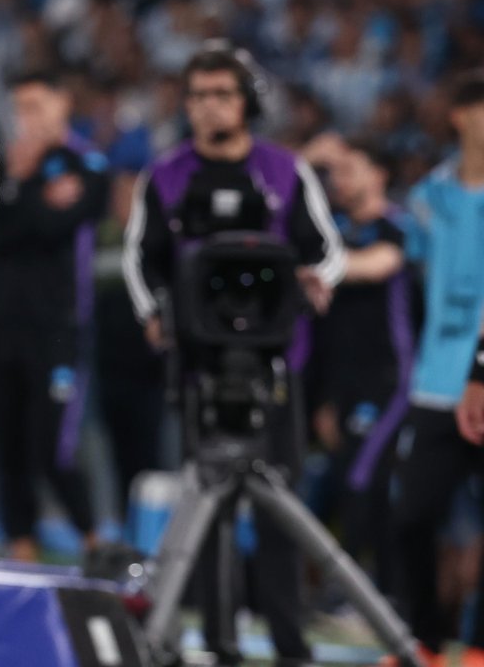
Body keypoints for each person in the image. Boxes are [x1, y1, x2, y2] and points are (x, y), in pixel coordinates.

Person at [122, 42, 344, 667]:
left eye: (220, 93)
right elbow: (142, 260)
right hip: (198, 369)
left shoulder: (284, 170)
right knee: (207, 518)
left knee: (282, 514)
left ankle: (289, 645)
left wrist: (316, 280)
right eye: (196, 95)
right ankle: (219, 644)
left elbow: (327, 250)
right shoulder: (164, 176)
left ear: (247, 101)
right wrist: (152, 317)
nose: (207, 107)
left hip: (274, 368)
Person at [0, 72, 109, 560]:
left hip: (59, 330)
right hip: (0, 327)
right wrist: (25, 187)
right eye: (19, 108)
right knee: (7, 441)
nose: (25, 118)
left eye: (35, 105)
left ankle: (95, 541)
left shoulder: (86, 164)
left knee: (56, 445)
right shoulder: (1, 165)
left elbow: (59, 223)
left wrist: (21, 188)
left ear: (63, 103)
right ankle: (21, 549)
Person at [400, 72, 484, 664]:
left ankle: (479, 647)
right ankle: (425, 641)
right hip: (435, 382)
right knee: (411, 519)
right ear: (460, 116)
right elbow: (406, 285)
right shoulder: (428, 199)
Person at [311, 138, 413, 594]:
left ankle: (373, 597)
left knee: (363, 481)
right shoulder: (335, 230)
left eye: (351, 169)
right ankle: (358, 595)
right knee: (343, 482)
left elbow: (376, 267)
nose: (340, 179)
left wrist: (313, 266)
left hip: (390, 378)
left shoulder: (397, 227)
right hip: (343, 382)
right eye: (337, 171)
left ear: (379, 175)